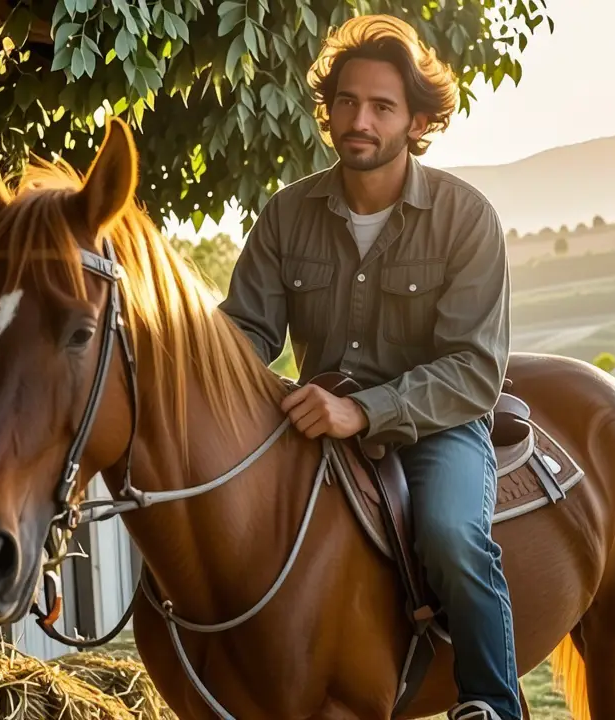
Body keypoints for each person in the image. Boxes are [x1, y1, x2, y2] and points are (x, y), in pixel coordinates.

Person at [217, 13, 519, 720]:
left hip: (435, 425)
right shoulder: (286, 216)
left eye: (383, 106)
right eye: (346, 102)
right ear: (328, 113)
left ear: (417, 121)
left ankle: (492, 704)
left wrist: (366, 411)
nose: (360, 119)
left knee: (452, 535)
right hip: (313, 418)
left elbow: (475, 369)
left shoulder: (466, 218)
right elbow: (246, 334)